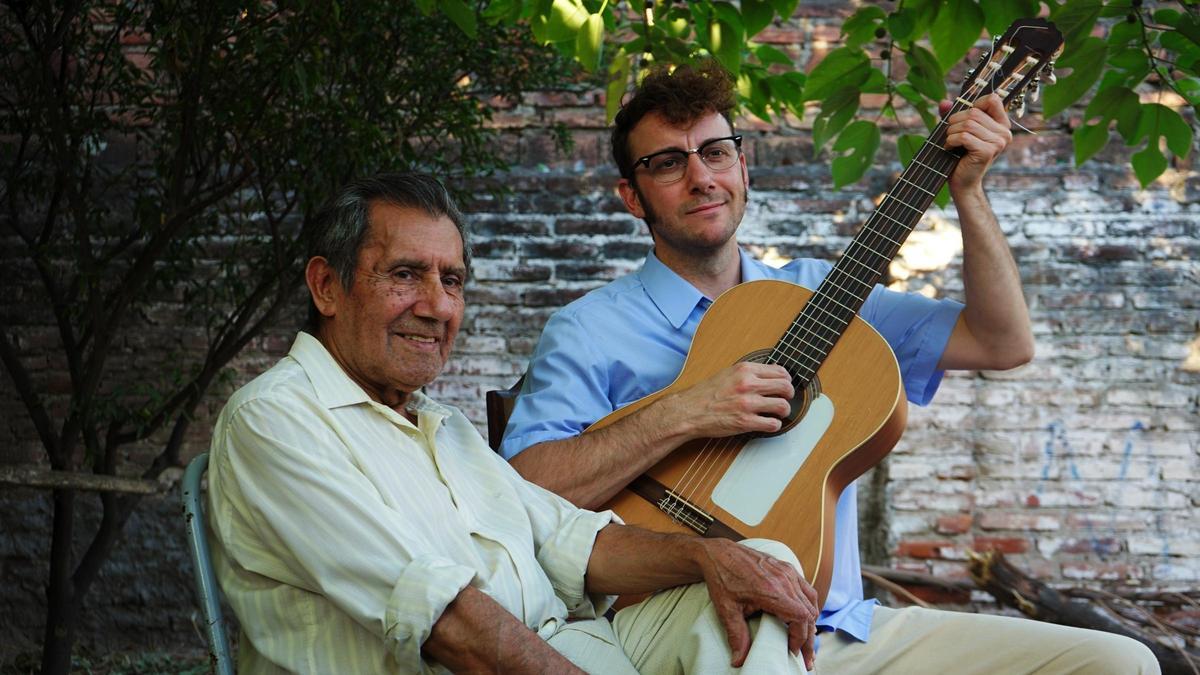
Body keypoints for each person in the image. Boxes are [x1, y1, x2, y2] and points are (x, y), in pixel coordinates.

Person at [499, 61, 1160, 673]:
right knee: (757, 599)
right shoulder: (588, 329)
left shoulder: (825, 294)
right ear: (630, 195)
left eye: (717, 152)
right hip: (686, 622)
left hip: (841, 632)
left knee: (1120, 662)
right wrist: (686, 409)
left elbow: (1002, 342)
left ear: (743, 168)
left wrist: (969, 192)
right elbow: (522, 494)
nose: (701, 176)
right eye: (668, 162)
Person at [204, 172, 824, 674]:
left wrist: (710, 558)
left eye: (451, 280)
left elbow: (574, 543)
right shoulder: (276, 418)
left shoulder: (442, 426)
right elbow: (448, 624)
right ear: (326, 286)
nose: (437, 306)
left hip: (572, 648)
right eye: (404, 275)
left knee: (757, 565)